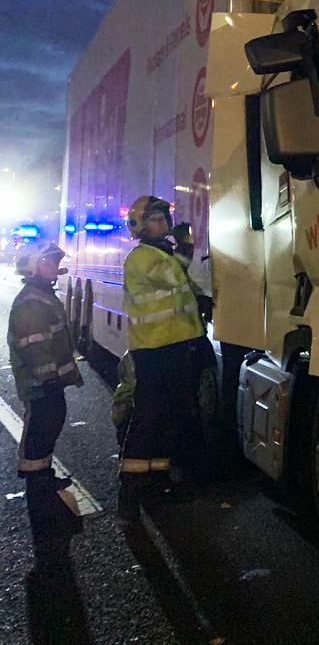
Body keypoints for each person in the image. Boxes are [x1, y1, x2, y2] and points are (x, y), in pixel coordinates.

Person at [117, 195, 208, 522]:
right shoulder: (142, 257)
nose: (163, 224)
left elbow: (179, 285)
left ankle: (154, 481)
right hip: (154, 350)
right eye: (155, 219)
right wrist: (184, 248)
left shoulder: (160, 254)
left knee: (168, 417)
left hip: (174, 346)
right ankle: (129, 493)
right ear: (139, 226)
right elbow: (172, 276)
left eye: (163, 218)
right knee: (149, 418)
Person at [8, 241, 83, 495]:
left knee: (49, 423)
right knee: (42, 426)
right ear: (32, 267)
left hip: (47, 381)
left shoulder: (41, 295)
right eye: (47, 262)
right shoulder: (32, 301)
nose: (54, 267)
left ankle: (41, 474)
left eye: (55, 262)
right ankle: (36, 480)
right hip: (40, 383)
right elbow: (36, 345)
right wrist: (48, 378)